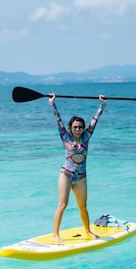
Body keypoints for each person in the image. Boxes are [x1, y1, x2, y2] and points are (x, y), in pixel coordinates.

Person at [48, 92, 106, 242]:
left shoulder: (87, 136)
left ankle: (88, 231)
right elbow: (58, 119)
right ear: (71, 127)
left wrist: (102, 105)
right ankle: (55, 235)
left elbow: (95, 120)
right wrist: (52, 104)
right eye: (75, 127)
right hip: (66, 175)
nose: (78, 129)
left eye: (80, 127)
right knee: (63, 204)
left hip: (81, 177)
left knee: (83, 206)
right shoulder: (65, 136)